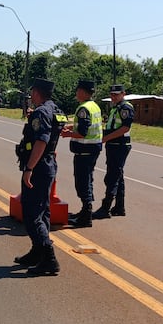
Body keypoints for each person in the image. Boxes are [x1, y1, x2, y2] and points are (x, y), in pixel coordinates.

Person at [14, 78, 65, 276]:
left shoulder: (41, 112)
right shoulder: (54, 109)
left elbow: (41, 142)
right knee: (42, 211)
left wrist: (29, 169)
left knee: (32, 213)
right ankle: (37, 252)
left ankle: (49, 257)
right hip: (48, 164)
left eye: (32, 92)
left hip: (38, 167)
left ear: (36, 92)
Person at [60, 80, 103, 228]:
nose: (76, 93)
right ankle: (85, 211)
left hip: (85, 150)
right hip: (93, 149)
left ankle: (86, 216)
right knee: (88, 179)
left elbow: (83, 132)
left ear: (84, 92)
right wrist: (71, 126)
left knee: (82, 181)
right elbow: (86, 125)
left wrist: (67, 134)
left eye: (78, 90)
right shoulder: (94, 106)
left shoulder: (83, 108)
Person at [93, 84, 134, 219]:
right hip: (114, 144)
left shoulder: (125, 108)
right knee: (118, 176)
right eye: (112, 94)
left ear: (123, 94)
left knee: (112, 177)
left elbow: (125, 128)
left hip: (119, 145)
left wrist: (105, 139)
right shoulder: (116, 108)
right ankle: (119, 207)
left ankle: (105, 208)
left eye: (116, 94)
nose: (113, 97)